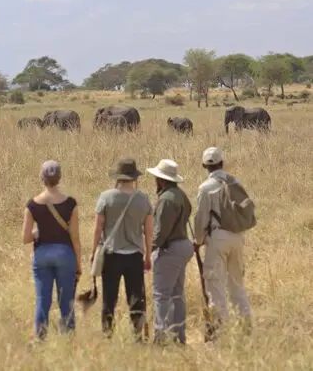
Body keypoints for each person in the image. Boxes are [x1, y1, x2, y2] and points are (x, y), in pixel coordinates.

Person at [194, 147, 252, 340]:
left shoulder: (205, 188)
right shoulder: (234, 181)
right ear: (222, 163)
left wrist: (198, 241)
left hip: (217, 238)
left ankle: (220, 333)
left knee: (215, 287)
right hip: (237, 237)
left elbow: (201, 219)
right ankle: (246, 329)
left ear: (204, 165)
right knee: (237, 285)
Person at [91, 159, 153, 341]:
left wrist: (94, 251)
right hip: (134, 255)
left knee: (109, 298)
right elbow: (149, 231)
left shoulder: (106, 197)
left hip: (111, 255)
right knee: (136, 298)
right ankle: (137, 335)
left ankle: (107, 334)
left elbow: (98, 228)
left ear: (118, 177)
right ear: (134, 177)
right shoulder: (143, 199)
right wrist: (148, 255)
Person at [21, 160, 82, 341]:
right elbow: (75, 238)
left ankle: (40, 339)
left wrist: (38, 232)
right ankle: (68, 339)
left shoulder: (32, 204)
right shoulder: (71, 203)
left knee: (43, 300)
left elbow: (25, 238)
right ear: (59, 178)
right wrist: (78, 263)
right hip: (65, 255)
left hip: (42, 256)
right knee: (66, 302)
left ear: (42, 178)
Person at [146, 159, 194, 346]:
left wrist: (149, 250)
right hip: (183, 245)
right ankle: (179, 336)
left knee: (161, 295)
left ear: (161, 180)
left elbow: (161, 231)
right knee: (177, 294)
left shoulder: (166, 199)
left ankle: (161, 338)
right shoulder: (180, 195)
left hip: (170, 248)